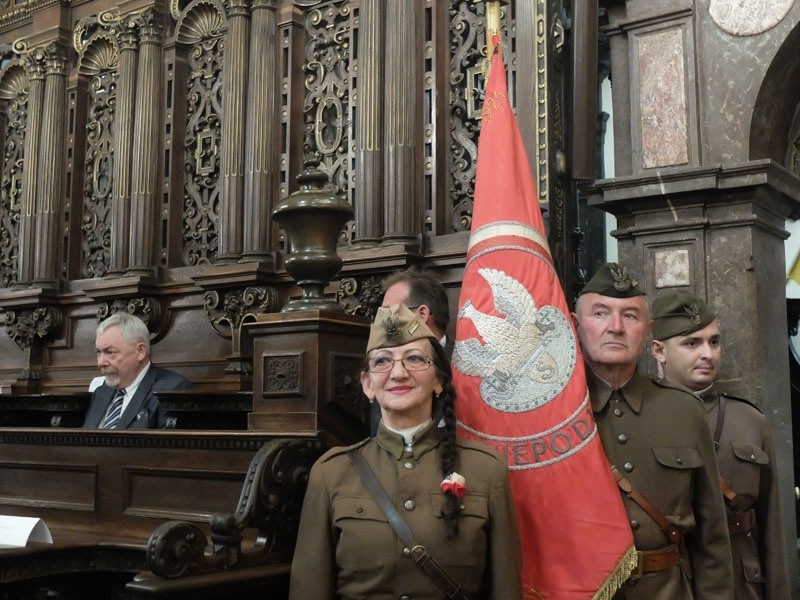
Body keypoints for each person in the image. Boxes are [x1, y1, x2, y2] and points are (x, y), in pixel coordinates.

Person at [289, 303, 523, 599]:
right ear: (367, 384)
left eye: (414, 359)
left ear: (438, 380)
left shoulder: (486, 471)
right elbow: (309, 589)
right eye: (383, 362)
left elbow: (506, 589)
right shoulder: (331, 473)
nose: (398, 373)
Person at [572, 262, 733, 599]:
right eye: (600, 313)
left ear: (647, 332)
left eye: (630, 316)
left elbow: (712, 535)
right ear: (575, 326)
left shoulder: (683, 410)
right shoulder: (555, 413)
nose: (615, 327)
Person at [650, 290, 789, 600]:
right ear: (659, 350)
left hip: (741, 583)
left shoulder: (751, 420)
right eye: (692, 343)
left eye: (714, 342)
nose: (708, 354)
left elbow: (772, 529)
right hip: (670, 583)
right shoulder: (640, 419)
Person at [370, 267, 453, 435]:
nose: (382, 323)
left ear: (421, 314)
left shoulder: (470, 366)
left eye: (389, 313)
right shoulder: (381, 367)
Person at [82, 313, 191, 429]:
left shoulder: (171, 391)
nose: (100, 362)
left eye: (110, 352)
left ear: (140, 351)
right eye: (98, 352)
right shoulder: (101, 392)